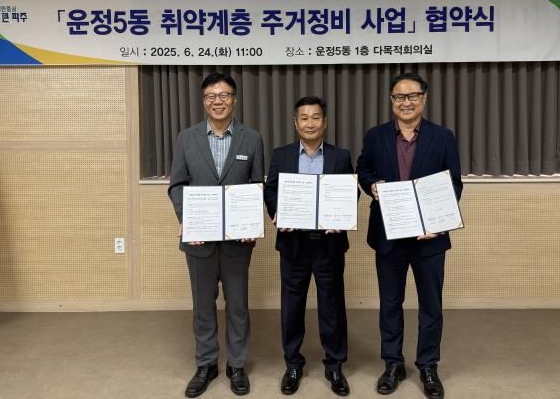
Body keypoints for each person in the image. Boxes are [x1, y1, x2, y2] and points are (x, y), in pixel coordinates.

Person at [356, 73, 462, 399]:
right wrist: (371, 185)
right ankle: (393, 364)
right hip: (389, 235)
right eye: (399, 97)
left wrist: (438, 222)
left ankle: (428, 366)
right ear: (391, 101)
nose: (406, 102)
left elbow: (454, 184)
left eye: (412, 95)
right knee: (390, 304)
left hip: (430, 237)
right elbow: (363, 169)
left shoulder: (442, 137)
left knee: (431, 305)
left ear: (424, 99)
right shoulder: (376, 136)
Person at [168, 73, 264, 397]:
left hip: (237, 241)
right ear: (203, 101)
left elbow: (256, 186)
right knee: (202, 306)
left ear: (234, 99)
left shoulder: (252, 138)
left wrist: (251, 223)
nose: (217, 101)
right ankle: (206, 364)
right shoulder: (187, 138)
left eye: (224, 95)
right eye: (211, 96)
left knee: (237, 305)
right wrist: (187, 220)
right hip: (199, 240)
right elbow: (177, 185)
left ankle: (236, 365)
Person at [264, 96, 354, 397]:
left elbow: (350, 192)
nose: (310, 123)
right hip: (294, 244)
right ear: (296, 123)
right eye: (304, 117)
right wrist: (278, 212)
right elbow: (271, 190)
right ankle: (293, 364)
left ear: (324, 122)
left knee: (332, 306)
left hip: (329, 244)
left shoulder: (341, 156)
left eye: (316, 117)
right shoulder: (281, 155)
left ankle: (335, 365)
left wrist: (341, 216)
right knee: (292, 307)